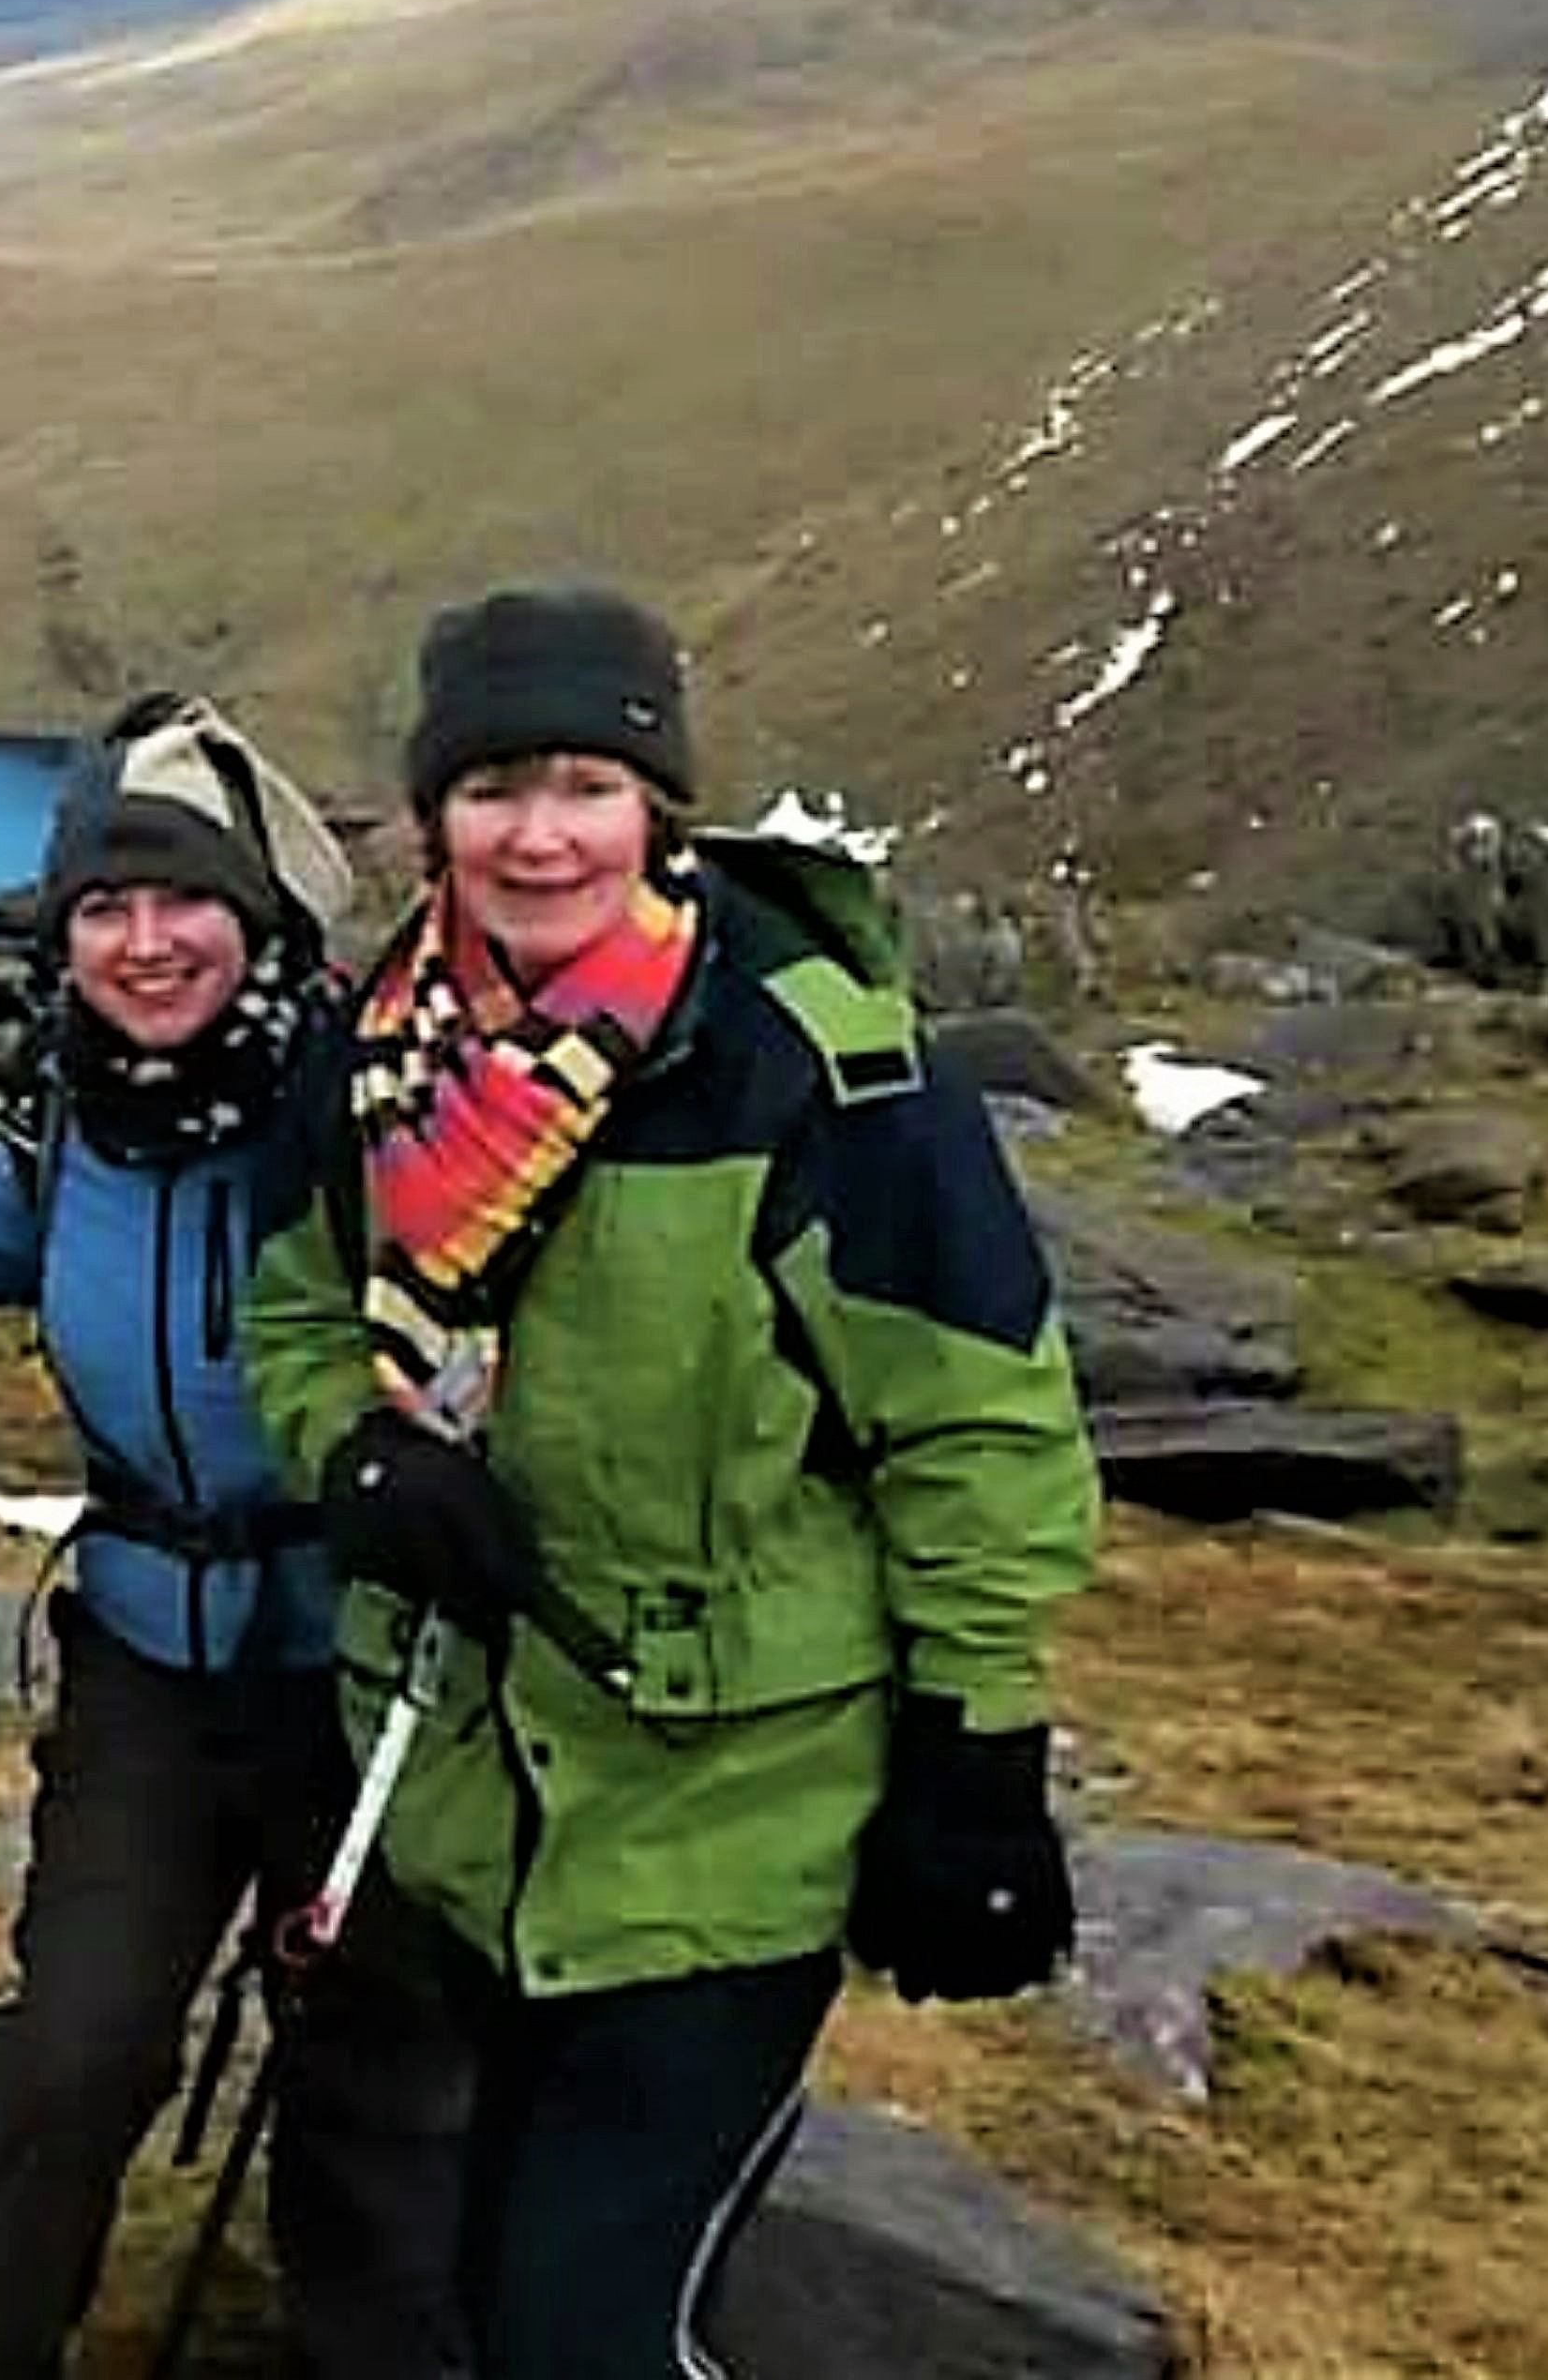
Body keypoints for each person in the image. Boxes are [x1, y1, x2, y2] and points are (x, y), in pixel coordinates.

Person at [241, 587, 1099, 2380]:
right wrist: (365, 1456)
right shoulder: (374, 1049)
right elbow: (301, 1314)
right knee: (497, 2289)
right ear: (429, 817)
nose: (537, 835)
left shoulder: (810, 1065)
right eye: (490, 788)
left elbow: (978, 1426)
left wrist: (978, 1761)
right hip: (484, 1808)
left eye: (583, 784)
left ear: (660, 810)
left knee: (582, 2330)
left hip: (733, 1809)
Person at [0, 696, 472, 2379]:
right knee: (72, 2048)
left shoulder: (377, 1105)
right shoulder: (79, 1100)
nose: (142, 940)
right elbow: (2, 1241)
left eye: (181, 900)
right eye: (103, 907)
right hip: (144, 1659)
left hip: (358, 1662)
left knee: (376, 2080)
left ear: (257, 912)